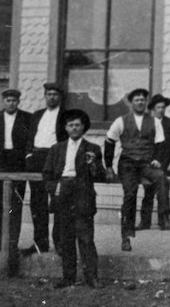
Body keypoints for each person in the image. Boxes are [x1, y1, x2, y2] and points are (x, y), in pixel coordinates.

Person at [43, 109, 106, 289]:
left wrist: (92, 163)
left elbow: (99, 175)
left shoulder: (93, 148)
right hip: (62, 192)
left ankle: (91, 278)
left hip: (82, 194)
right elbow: (47, 173)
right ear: (65, 128)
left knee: (86, 238)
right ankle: (68, 277)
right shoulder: (56, 149)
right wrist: (55, 188)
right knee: (65, 239)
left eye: (77, 125)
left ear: (83, 127)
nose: (74, 128)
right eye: (70, 125)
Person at [104, 88, 170, 251]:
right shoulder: (121, 121)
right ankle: (126, 236)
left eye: (143, 99)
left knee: (161, 177)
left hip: (146, 164)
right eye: (137, 99)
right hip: (127, 164)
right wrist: (108, 166)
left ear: (146, 102)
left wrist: (157, 160)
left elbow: (161, 144)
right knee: (130, 194)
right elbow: (109, 142)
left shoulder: (154, 121)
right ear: (131, 102)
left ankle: (164, 217)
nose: (140, 102)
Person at [23, 82, 68, 255]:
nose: (52, 97)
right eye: (49, 94)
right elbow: (30, 136)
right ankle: (40, 243)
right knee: (37, 202)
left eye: (55, 94)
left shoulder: (65, 116)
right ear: (45, 96)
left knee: (58, 200)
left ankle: (60, 243)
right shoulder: (37, 115)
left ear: (60, 97)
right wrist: (28, 154)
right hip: (37, 158)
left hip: (56, 158)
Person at [137, 93, 170, 230]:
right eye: (158, 107)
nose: (161, 110)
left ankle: (164, 220)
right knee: (148, 191)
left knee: (164, 190)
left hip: (165, 163)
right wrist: (150, 161)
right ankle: (145, 221)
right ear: (153, 109)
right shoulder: (146, 124)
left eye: (163, 107)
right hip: (149, 164)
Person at [0, 88, 31, 275]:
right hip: (0, 164)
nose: (11, 103)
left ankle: (12, 247)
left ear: (18, 102)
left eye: (14, 100)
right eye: (8, 100)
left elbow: (30, 141)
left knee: (15, 206)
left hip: (18, 164)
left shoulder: (27, 118)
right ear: (3, 101)